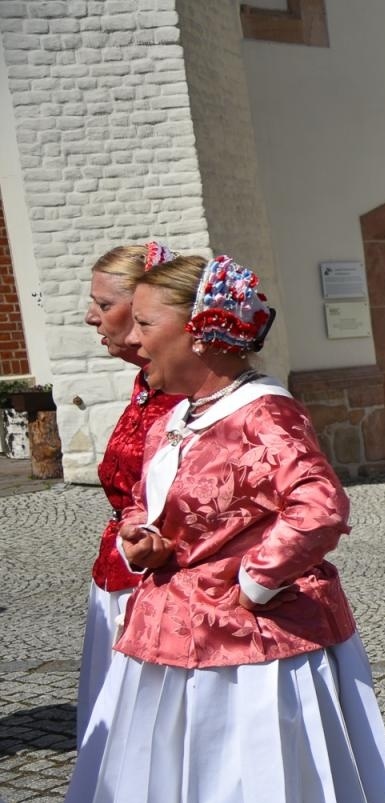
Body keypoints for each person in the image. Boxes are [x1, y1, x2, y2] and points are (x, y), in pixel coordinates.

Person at [48, 255, 385, 803]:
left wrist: (252, 584)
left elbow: (318, 506)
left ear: (205, 331)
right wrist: (149, 545)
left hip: (260, 656)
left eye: (148, 323)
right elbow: (175, 517)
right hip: (174, 644)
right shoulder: (175, 417)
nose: (134, 338)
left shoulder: (264, 412)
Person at [74, 241, 184, 743]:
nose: (91, 317)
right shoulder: (146, 383)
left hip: (155, 583)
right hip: (118, 574)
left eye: (104, 305)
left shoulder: (184, 393)